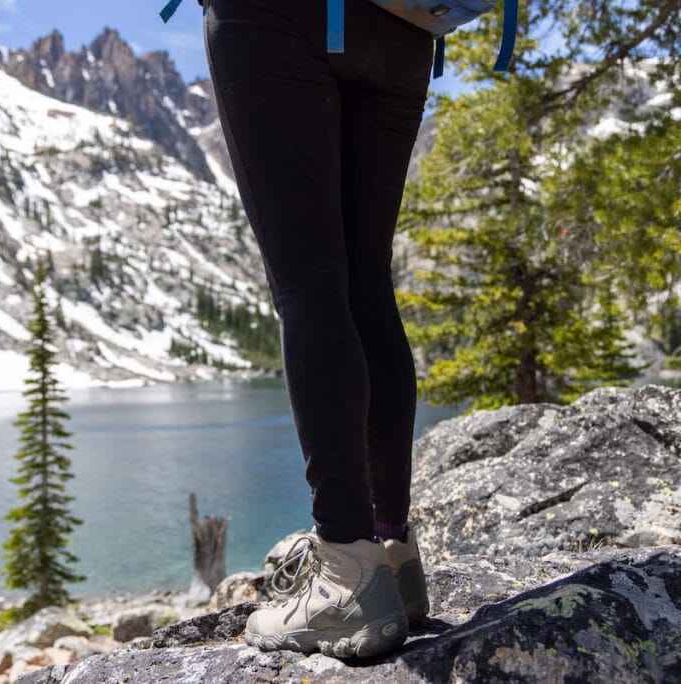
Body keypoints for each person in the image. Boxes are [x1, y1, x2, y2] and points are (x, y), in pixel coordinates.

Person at [201, 0, 434, 658]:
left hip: (275, 16)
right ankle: (393, 558)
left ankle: (346, 573)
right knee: (367, 282)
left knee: (309, 283)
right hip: (405, 24)